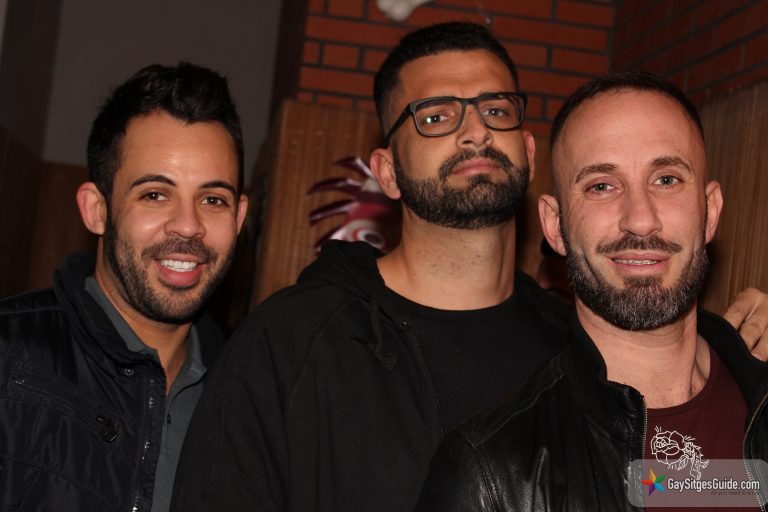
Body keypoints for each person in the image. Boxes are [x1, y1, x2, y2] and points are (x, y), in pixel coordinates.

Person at [171, 24, 768, 512]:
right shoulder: (290, 343)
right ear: (387, 171)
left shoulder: (583, 344)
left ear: (528, 152)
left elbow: (679, 481)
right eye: (435, 116)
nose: (475, 131)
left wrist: (736, 352)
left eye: (496, 109)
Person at [416, 71, 768, 511]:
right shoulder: (492, 476)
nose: (640, 220)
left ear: (710, 211)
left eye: (666, 179)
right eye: (602, 186)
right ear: (555, 225)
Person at [0, 63, 248, 512]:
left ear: (239, 217)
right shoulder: (9, 355)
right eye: (155, 194)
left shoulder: (249, 399)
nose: (188, 225)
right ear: (97, 209)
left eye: (213, 200)